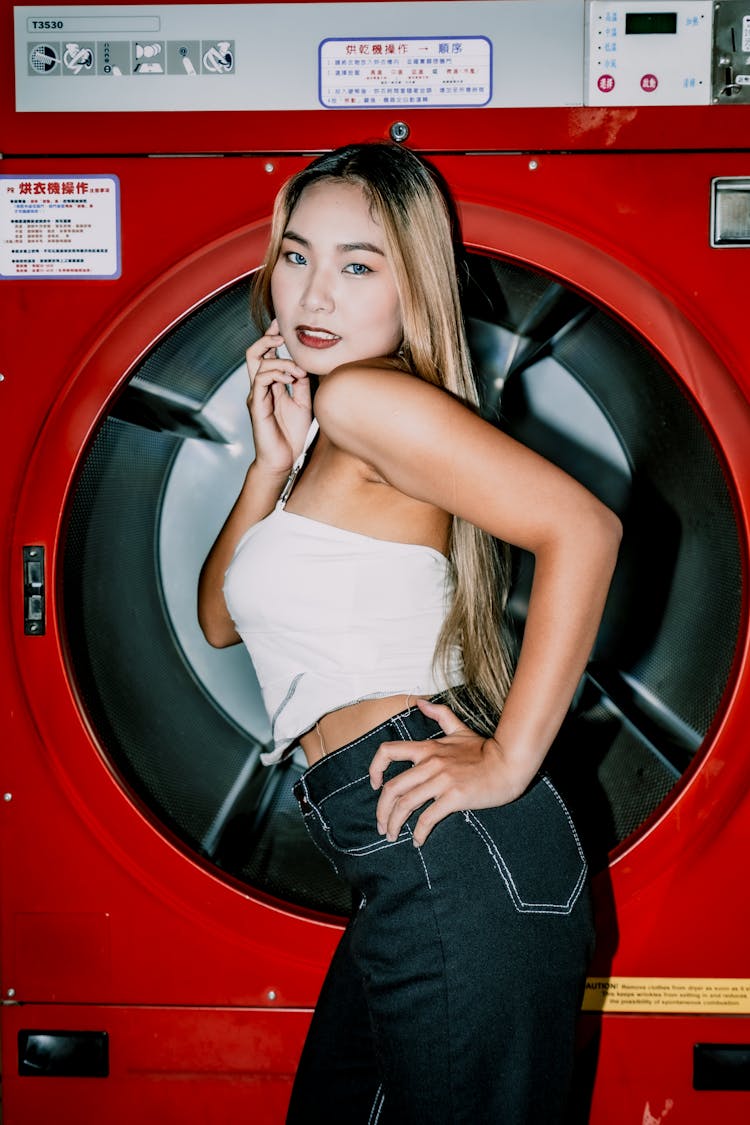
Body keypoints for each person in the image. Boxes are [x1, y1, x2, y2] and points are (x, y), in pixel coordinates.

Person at [198, 141, 622, 1124]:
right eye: (297, 256)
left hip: (447, 840)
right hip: (403, 846)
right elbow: (220, 620)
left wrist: (510, 760)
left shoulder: (365, 396)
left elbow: (584, 529)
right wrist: (269, 464)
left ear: (412, 285)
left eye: (358, 265)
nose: (313, 293)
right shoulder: (331, 432)